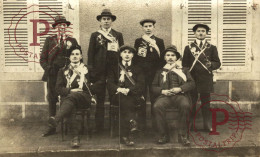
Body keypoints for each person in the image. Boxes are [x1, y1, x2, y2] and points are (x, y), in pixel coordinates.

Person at [48, 46, 98, 148]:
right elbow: (58, 88)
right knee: (71, 102)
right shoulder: (62, 70)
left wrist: (91, 90)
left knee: (70, 99)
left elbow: (99, 83)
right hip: (69, 98)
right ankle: (75, 138)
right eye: (72, 54)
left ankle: (56, 119)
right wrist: (70, 90)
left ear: (81, 56)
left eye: (77, 54)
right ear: (69, 57)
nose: (74, 56)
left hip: (84, 97)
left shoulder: (87, 69)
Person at [40, 15, 79, 137]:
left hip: (66, 74)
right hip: (52, 74)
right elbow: (43, 59)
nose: (61, 27)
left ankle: (67, 124)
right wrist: (49, 69)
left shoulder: (72, 41)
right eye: (59, 25)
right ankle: (51, 127)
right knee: (52, 99)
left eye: (64, 25)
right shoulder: (49, 40)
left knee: (66, 97)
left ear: (66, 27)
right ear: (55, 27)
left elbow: (76, 56)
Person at [87, 9, 124, 132]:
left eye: (109, 19)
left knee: (115, 97)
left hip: (113, 71)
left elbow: (122, 54)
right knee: (100, 99)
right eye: (104, 19)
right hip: (99, 72)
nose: (106, 21)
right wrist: (91, 71)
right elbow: (90, 54)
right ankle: (99, 127)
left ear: (112, 21)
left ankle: (116, 127)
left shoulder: (117, 35)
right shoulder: (95, 35)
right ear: (100, 21)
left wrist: (120, 70)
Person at [152, 46, 195, 146]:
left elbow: (192, 83)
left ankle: (183, 135)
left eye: (173, 55)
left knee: (185, 105)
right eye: (168, 55)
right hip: (165, 97)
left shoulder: (184, 70)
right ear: (164, 58)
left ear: (176, 58)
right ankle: (163, 135)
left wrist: (180, 89)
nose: (170, 57)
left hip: (180, 95)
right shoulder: (159, 71)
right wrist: (163, 91)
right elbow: (153, 87)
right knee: (157, 106)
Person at [182, 24, 221, 132]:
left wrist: (211, 65)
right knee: (191, 102)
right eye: (198, 31)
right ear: (194, 33)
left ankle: (207, 124)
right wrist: (187, 77)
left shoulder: (211, 47)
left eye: (203, 31)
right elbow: (185, 64)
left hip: (205, 78)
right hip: (192, 78)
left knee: (206, 103)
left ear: (206, 33)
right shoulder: (188, 47)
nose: (200, 33)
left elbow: (217, 63)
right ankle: (190, 124)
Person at [107, 45, 145, 146]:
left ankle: (124, 136)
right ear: (120, 54)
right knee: (124, 100)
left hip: (133, 95)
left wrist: (128, 90)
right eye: (124, 52)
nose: (127, 54)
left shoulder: (138, 68)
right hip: (118, 94)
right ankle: (131, 123)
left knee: (126, 102)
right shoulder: (114, 67)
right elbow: (110, 83)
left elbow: (141, 84)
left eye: (129, 52)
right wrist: (119, 89)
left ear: (133, 55)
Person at [134, 19, 165, 130]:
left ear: (154, 27)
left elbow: (162, 59)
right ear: (142, 28)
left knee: (154, 99)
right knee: (141, 99)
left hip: (154, 75)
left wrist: (160, 73)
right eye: (145, 26)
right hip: (142, 75)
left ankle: (155, 124)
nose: (148, 28)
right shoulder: (138, 41)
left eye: (150, 26)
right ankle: (141, 125)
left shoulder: (159, 41)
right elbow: (136, 59)